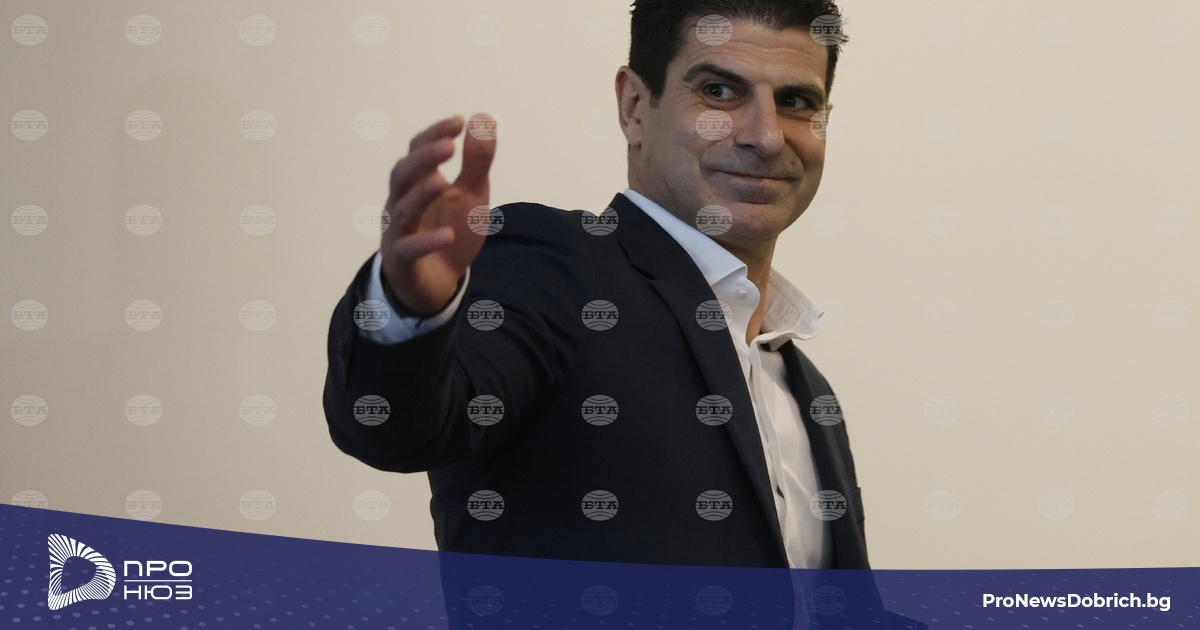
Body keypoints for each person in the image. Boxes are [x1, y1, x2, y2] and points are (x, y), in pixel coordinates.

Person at [324, 0, 868, 571]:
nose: (766, 136)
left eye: (796, 102)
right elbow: (394, 427)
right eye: (719, 92)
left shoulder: (809, 390)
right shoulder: (560, 269)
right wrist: (409, 310)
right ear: (634, 108)